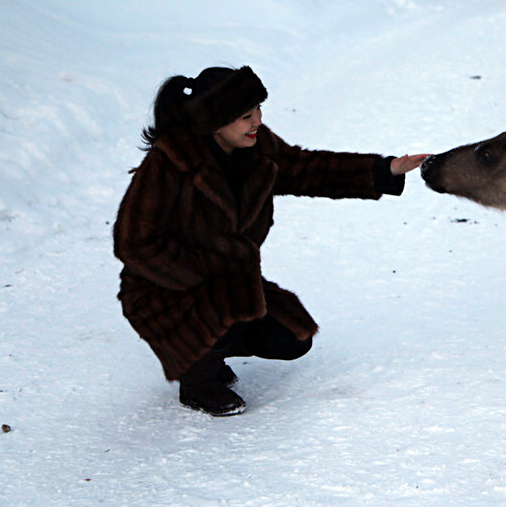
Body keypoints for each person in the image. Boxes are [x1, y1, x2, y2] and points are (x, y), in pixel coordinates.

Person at [113, 65, 427, 416]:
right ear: (217, 121)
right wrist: (206, 279)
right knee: (223, 309)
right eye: (246, 115)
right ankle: (198, 382)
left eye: (259, 110)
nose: (257, 122)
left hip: (228, 281)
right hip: (163, 290)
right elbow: (134, 243)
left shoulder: (257, 149)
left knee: (292, 337)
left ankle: (210, 353)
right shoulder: (170, 163)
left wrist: (383, 171)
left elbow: (307, 169)